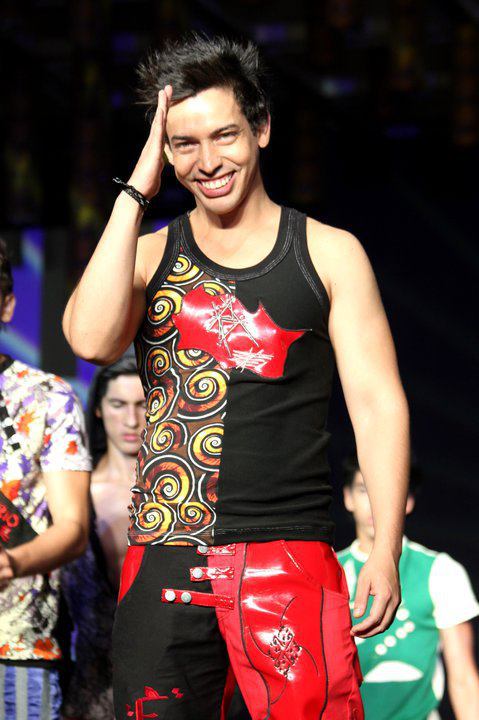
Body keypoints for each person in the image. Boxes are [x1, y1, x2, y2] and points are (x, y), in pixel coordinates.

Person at [63, 34, 410, 720]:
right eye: (184, 144)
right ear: (166, 153)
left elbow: (377, 404)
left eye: (224, 135)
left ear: (261, 129)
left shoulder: (328, 253)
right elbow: (89, 341)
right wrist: (135, 192)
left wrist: (384, 550)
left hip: (289, 552)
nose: (208, 161)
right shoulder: (151, 254)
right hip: (167, 552)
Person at [0, 237, 91, 719]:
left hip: (17, 649)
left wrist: (11, 562)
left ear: (7, 305)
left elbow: (72, 528)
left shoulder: (46, 397)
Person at [338, 452, 479, 720]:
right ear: (348, 498)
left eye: (386, 491)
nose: (376, 503)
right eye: (364, 490)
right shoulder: (328, 573)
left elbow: (463, 679)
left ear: (408, 500)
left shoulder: (440, 571)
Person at [61, 353, 146, 720]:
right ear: (98, 408)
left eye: (142, 404)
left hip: (166, 681)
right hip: (88, 684)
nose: (131, 420)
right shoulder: (71, 496)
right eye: (118, 404)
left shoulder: (180, 496)